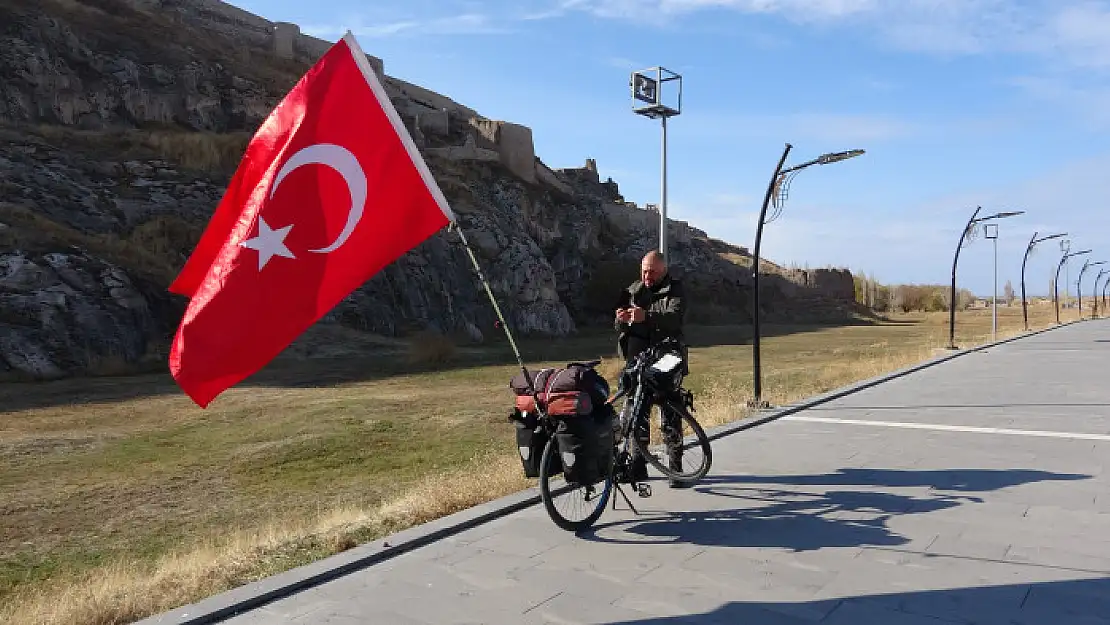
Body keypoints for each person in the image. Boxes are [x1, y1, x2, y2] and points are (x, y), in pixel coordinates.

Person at [613, 250, 689, 488]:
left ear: (663, 271)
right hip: (637, 361)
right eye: (644, 271)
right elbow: (618, 326)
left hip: (665, 360)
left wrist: (646, 316)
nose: (647, 276)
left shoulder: (675, 290)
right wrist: (621, 318)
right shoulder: (633, 289)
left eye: (652, 272)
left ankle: (675, 467)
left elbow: (674, 318)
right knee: (636, 414)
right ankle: (638, 465)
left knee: (671, 414)